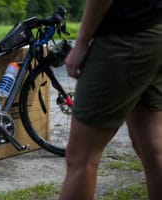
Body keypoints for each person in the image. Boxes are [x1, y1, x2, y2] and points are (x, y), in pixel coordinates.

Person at [59, 0, 162, 199]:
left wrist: (80, 43)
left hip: (125, 34)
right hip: (155, 29)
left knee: (80, 157)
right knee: (152, 146)